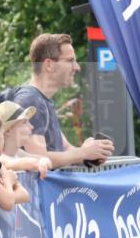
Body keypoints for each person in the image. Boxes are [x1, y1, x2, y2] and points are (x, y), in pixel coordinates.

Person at [11, 33, 115, 168]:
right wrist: (83, 153)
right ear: (48, 65)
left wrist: (90, 154)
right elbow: (40, 158)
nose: (77, 67)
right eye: (70, 60)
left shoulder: (43, 100)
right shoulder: (31, 100)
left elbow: (65, 150)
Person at [0, 101, 51, 178]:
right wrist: (37, 163)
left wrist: (43, 162)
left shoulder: (18, 153)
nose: (31, 127)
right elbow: (15, 163)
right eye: (24, 122)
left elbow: (46, 159)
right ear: (8, 130)